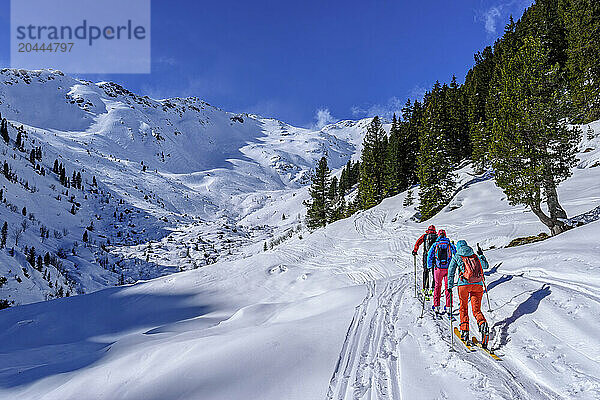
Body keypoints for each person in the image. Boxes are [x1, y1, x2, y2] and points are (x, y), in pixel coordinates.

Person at [448, 240, 490, 347]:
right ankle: (483, 325)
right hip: (478, 285)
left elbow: (451, 272)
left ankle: (465, 331)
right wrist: (481, 255)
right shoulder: (474, 255)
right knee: (476, 310)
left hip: (463, 285)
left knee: (463, 308)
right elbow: (485, 266)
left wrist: (449, 286)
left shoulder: (457, 256)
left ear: (458, 247)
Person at [427, 230, 456, 316]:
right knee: (448, 287)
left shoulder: (435, 244)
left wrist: (429, 266)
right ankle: (449, 307)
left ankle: (436, 306)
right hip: (448, 269)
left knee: (437, 286)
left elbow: (430, 255)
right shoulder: (449, 244)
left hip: (438, 269)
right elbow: (456, 253)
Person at [412, 225, 437, 298]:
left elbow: (418, 242)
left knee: (425, 271)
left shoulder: (425, 236)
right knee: (434, 272)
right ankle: (433, 288)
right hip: (434, 256)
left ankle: (425, 288)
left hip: (426, 255)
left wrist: (415, 250)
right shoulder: (437, 236)